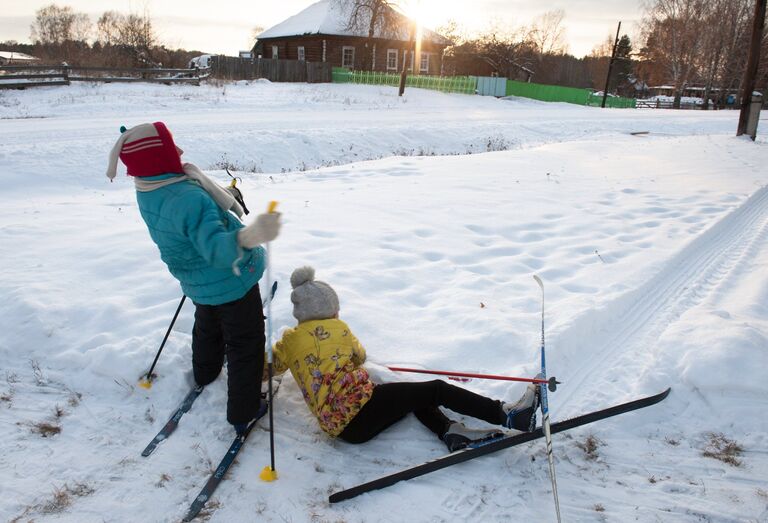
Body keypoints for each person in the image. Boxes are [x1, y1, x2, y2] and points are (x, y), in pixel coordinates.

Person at [106, 122, 281, 434]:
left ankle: (205, 372)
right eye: (172, 146)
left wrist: (217, 202)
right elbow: (218, 250)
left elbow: (187, 221)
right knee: (246, 343)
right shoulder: (188, 197)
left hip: (196, 279)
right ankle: (245, 410)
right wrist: (252, 235)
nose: (181, 151)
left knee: (208, 323)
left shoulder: (150, 189)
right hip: (231, 279)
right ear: (157, 157)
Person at [270, 266, 540, 452]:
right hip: (359, 410)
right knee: (435, 389)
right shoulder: (340, 329)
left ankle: (450, 431)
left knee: (412, 396)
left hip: (342, 428)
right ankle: (507, 415)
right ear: (331, 309)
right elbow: (360, 356)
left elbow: (269, 368)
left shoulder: (291, 340)